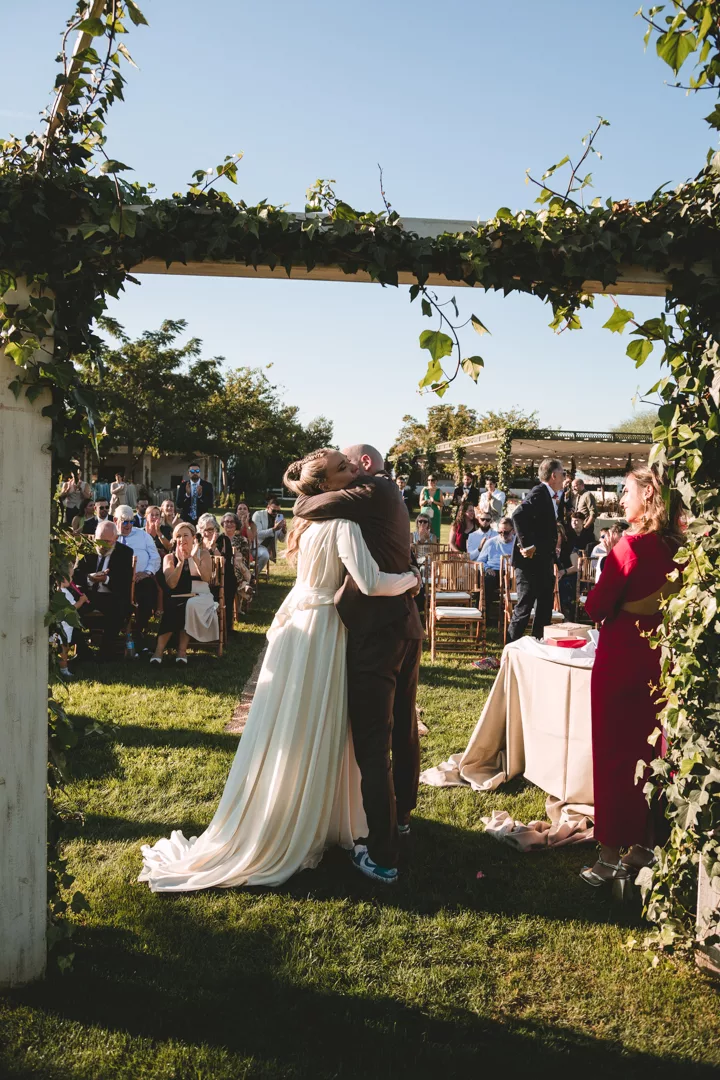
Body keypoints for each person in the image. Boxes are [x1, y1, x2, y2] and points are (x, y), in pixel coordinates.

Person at [139, 449, 418, 891]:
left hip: (297, 628)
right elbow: (369, 582)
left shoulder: (305, 526)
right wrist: (410, 580)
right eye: (342, 469)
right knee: (322, 723)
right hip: (326, 629)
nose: (351, 471)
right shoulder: (343, 524)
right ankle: (317, 818)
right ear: (325, 485)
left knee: (293, 723)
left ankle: (294, 809)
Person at [292, 443, 423, 885]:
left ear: (364, 465)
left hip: (377, 635)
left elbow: (306, 502)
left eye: (348, 463)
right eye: (339, 466)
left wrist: (300, 481)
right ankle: (401, 818)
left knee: (372, 745)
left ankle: (384, 856)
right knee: (402, 728)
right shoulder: (384, 493)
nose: (348, 469)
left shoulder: (367, 492)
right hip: (405, 626)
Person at [580, 467, 683, 888]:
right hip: (657, 665)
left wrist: (610, 554)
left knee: (613, 758)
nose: (621, 500)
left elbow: (595, 607)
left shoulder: (630, 547)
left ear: (648, 497)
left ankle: (607, 858)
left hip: (619, 664)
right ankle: (644, 846)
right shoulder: (679, 549)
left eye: (626, 492)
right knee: (652, 754)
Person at [507, 457, 566, 642]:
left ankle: (538, 648)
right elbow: (517, 515)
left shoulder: (549, 495)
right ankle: (509, 651)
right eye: (563, 474)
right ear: (554, 475)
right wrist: (528, 545)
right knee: (524, 609)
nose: (565, 477)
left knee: (544, 609)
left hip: (544, 562)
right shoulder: (539, 492)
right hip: (529, 563)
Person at [150, 522, 216, 665]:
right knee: (177, 606)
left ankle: (165, 650)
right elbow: (171, 583)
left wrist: (194, 558)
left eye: (186, 535)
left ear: (193, 537)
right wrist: (180, 562)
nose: (182, 539)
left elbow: (206, 578)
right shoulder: (169, 558)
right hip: (178, 596)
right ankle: (171, 651)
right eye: (178, 536)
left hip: (201, 596)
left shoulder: (203, 554)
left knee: (187, 605)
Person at [73, 520, 133, 661]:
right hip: (88, 596)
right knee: (69, 612)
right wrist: (89, 578)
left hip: (111, 595)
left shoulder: (125, 553)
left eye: (107, 542)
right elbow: (76, 575)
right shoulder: (86, 549)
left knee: (119, 611)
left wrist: (106, 580)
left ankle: (105, 652)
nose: (103, 546)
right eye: (100, 541)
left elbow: (124, 582)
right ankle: (83, 651)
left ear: (116, 539)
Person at [113, 505, 162, 652]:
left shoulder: (143, 535)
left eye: (131, 522)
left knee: (148, 592)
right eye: (125, 522)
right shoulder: (111, 534)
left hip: (141, 578)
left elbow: (155, 557)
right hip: (119, 581)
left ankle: (139, 630)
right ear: (115, 520)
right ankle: (118, 632)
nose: (129, 526)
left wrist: (146, 572)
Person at [198, 512, 237, 635]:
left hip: (223, 578)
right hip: (202, 578)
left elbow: (223, 562)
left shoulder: (223, 540)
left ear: (216, 529)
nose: (206, 533)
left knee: (229, 585)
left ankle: (225, 628)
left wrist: (213, 547)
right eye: (203, 529)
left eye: (210, 529)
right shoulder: (197, 542)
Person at [476, 517, 515, 605]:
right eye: (500, 532)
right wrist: (487, 568)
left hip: (510, 572)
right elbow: (480, 561)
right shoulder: (491, 542)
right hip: (494, 571)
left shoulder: (517, 544)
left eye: (506, 532)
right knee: (487, 581)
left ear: (513, 531)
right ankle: (484, 613)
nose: (502, 535)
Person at [220, 512, 254, 609]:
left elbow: (245, 557)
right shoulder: (219, 538)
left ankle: (241, 586)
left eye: (232, 522)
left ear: (236, 524)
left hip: (239, 566)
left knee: (234, 565)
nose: (229, 524)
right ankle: (243, 587)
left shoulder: (242, 539)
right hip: (222, 566)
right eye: (226, 522)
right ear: (223, 524)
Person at [252, 497, 287, 570]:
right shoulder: (258, 515)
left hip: (268, 548)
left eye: (278, 511)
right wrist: (274, 529)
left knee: (265, 555)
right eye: (274, 510)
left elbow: (282, 540)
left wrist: (284, 530)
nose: (276, 513)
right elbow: (257, 534)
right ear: (268, 507)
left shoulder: (278, 518)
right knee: (265, 555)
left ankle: (253, 575)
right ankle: (253, 576)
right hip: (256, 545)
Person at [555, 522, 579, 618]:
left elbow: (576, 566)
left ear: (562, 535)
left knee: (564, 586)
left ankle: (566, 616)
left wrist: (563, 572)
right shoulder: (548, 549)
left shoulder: (569, 547)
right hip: (553, 576)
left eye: (557, 535)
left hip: (568, 576)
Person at [418, 474, 443, 540]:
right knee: (423, 531)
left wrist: (434, 501)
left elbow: (442, 504)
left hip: (435, 515)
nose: (430, 482)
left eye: (432, 480)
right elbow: (420, 503)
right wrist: (426, 501)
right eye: (428, 480)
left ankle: (435, 548)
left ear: (436, 481)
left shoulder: (439, 491)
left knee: (435, 533)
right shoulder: (424, 490)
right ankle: (422, 548)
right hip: (425, 514)